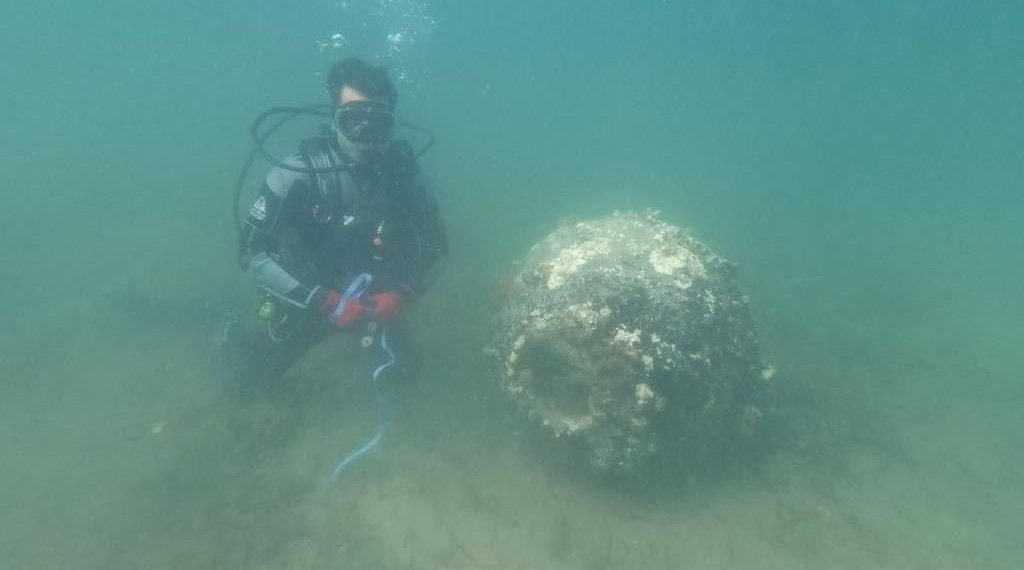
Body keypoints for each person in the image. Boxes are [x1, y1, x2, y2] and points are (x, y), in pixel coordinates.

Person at [230, 58, 447, 395]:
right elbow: (250, 254)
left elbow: (438, 250)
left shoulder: (407, 179)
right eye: (353, 120)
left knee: (407, 383)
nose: (365, 135)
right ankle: (224, 327)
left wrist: (403, 293)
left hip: (375, 304)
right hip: (308, 299)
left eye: (378, 123)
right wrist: (324, 302)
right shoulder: (296, 175)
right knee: (247, 387)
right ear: (333, 117)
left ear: (392, 125)